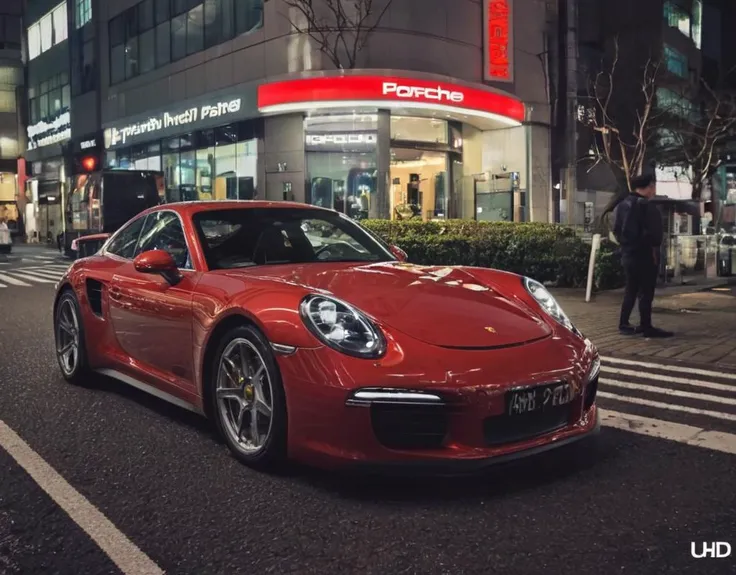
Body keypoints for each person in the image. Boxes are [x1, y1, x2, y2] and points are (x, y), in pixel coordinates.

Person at [612, 174, 673, 338]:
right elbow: (656, 235)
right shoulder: (647, 207)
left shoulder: (621, 205)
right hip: (646, 254)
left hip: (628, 254)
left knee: (630, 290)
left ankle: (623, 324)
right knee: (646, 292)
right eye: (653, 186)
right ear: (650, 186)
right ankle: (646, 326)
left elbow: (616, 230)